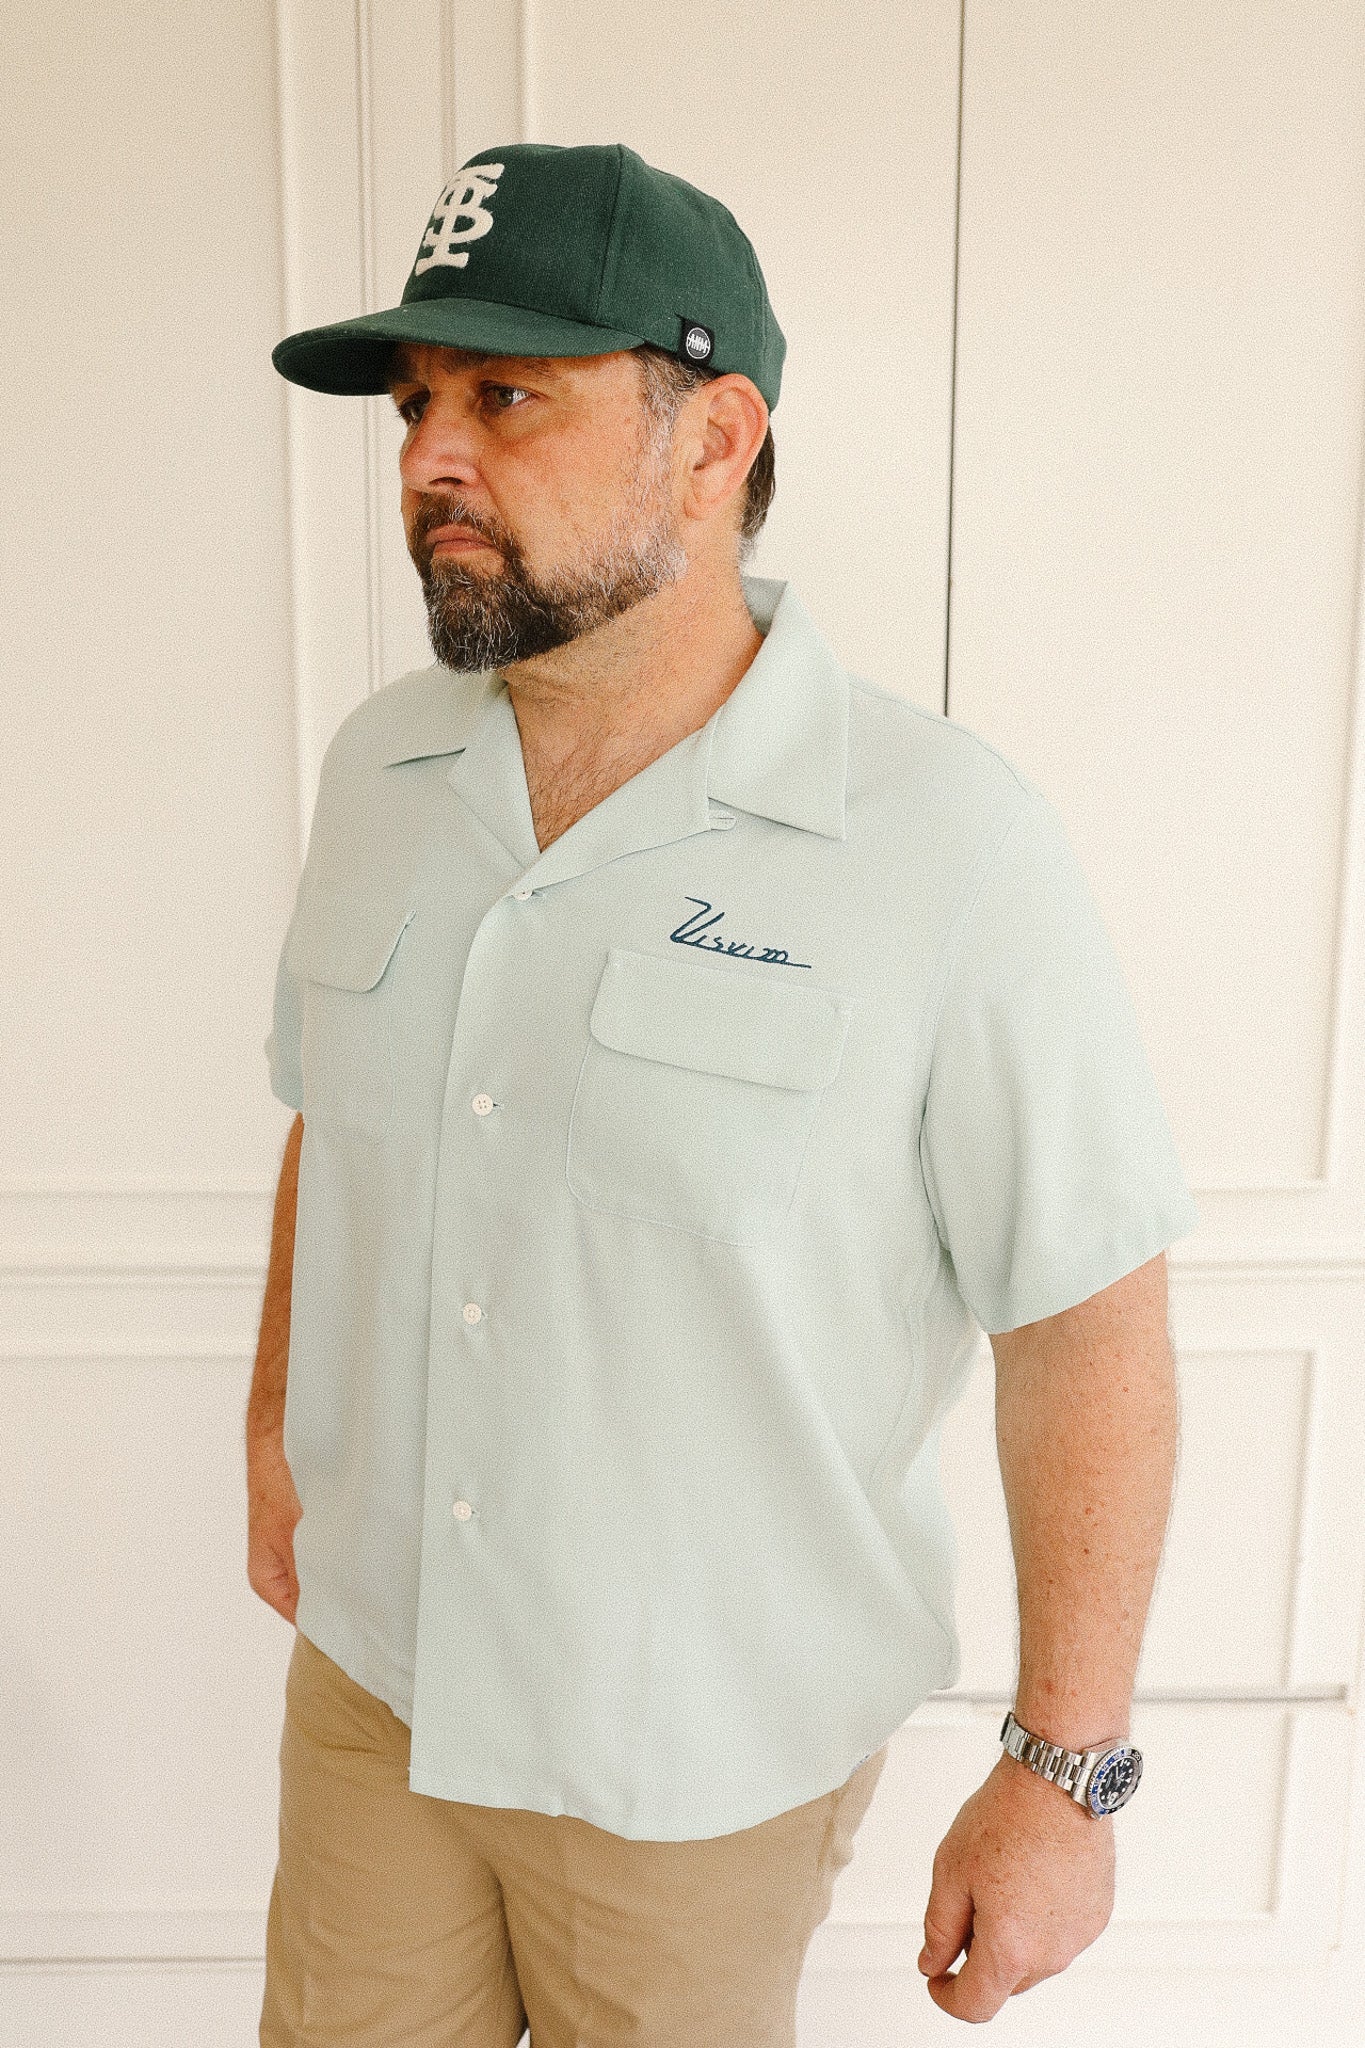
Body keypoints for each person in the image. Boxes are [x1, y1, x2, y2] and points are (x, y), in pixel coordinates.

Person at [247, 141, 1199, 2044]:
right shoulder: (377, 770)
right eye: (419, 402)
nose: (432, 453)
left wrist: (1065, 1771)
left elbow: (1084, 1315)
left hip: (696, 1755)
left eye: (505, 396)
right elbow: (333, 1122)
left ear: (713, 438)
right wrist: (278, 1422)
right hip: (380, 1683)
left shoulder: (943, 843)